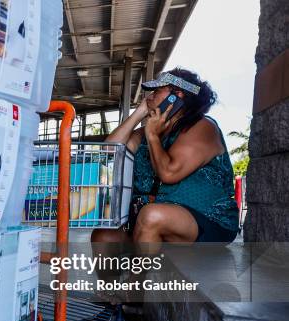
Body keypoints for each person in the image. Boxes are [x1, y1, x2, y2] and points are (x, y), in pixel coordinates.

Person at [92, 68, 239, 245]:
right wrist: (139, 114)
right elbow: (110, 150)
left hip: (207, 220)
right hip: (150, 219)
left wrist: (152, 136)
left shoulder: (202, 127)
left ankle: (138, 274)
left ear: (177, 95)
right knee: (103, 237)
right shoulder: (150, 131)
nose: (149, 96)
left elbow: (169, 173)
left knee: (152, 216)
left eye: (156, 91)